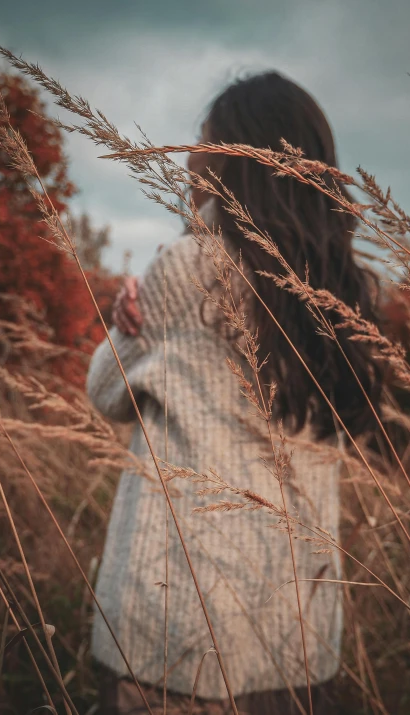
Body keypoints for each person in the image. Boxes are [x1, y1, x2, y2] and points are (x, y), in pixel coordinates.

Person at [87, 71, 382, 714]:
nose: (188, 155)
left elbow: (106, 391)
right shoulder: (345, 295)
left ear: (230, 160)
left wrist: (124, 321)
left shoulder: (187, 269)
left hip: (177, 639)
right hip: (296, 641)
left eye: (201, 139)